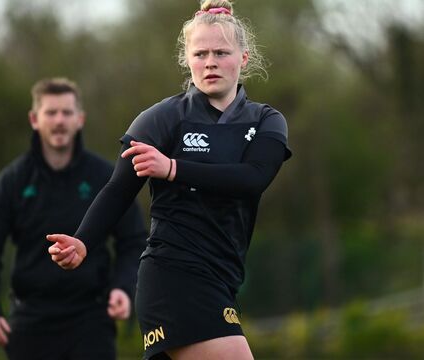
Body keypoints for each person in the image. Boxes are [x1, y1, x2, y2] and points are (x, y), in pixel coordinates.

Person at [47, 1, 292, 359]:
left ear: (243, 58)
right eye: (201, 53)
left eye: (222, 52)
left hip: (222, 277)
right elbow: (118, 190)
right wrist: (84, 241)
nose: (210, 62)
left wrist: (174, 168)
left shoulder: (267, 121)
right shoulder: (161, 119)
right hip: (174, 275)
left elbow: (253, 178)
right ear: (187, 60)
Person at [0, 77, 147, 360]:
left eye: (67, 112)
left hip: (91, 320)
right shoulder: (12, 181)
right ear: (34, 119)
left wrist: (123, 288)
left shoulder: (105, 178)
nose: (60, 120)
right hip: (29, 322)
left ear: (80, 119)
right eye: (51, 112)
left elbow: (134, 240)